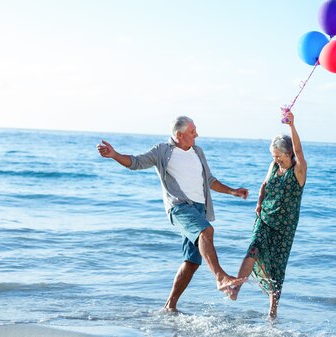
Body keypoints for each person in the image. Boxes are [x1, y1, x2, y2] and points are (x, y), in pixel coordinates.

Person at [96, 116, 248, 311]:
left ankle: (170, 306)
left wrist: (232, 191)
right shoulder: (162, 151)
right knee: (206, 231)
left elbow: (209, 180)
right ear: (179, 135)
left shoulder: (198, 152)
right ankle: (220, 277)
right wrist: (115, 154)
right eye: (192, 132)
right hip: (179, 207)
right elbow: (135, 162)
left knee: (192, 261)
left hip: (199, 208)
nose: (197, 135)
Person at [229, 110, 307, 318]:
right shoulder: (274, 166)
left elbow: (299, 150)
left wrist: (292, 125)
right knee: (253, 248)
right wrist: (259, 202)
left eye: (279, 156)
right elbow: (264, 185)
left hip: (284, 228)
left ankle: (272, 313)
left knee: (277, 268)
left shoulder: (298, 171)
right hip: (264, 218)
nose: (276, 160)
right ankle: (236, 287)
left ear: (288, 154)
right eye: (274, 156)